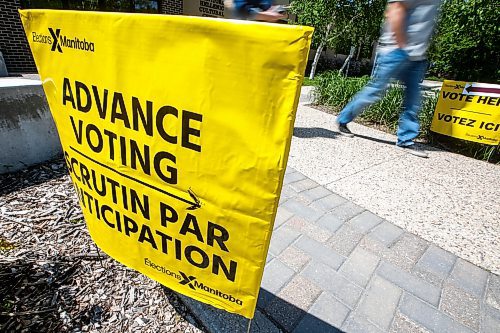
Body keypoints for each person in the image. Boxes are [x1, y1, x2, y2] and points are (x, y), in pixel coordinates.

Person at [335, 0, 441, 158]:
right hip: (397, 51)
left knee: (413, 99)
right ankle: (343, 119)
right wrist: (402, 46)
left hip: (417, 56)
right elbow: (394, 10)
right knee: (376, 90)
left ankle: (406, 139)